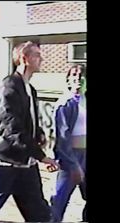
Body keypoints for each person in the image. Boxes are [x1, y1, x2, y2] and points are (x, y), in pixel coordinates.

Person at [0, 41, 60, 222]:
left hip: (26, 165)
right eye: (37, 55)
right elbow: (11, 128)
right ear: (25, 59)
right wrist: (42, 156)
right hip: (5, 165)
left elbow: (27, 121)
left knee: (40, 215)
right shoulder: (8, 88)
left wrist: (38, 134)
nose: (41, 59)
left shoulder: (29, 89)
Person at [51, 64, 87, 222]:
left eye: (81, 75)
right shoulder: (65, 104)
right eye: (74, 75)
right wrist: (72, 164)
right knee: (60, 197)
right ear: (68, 80)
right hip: (71, 155)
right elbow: (62, 137)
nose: (78, 78)